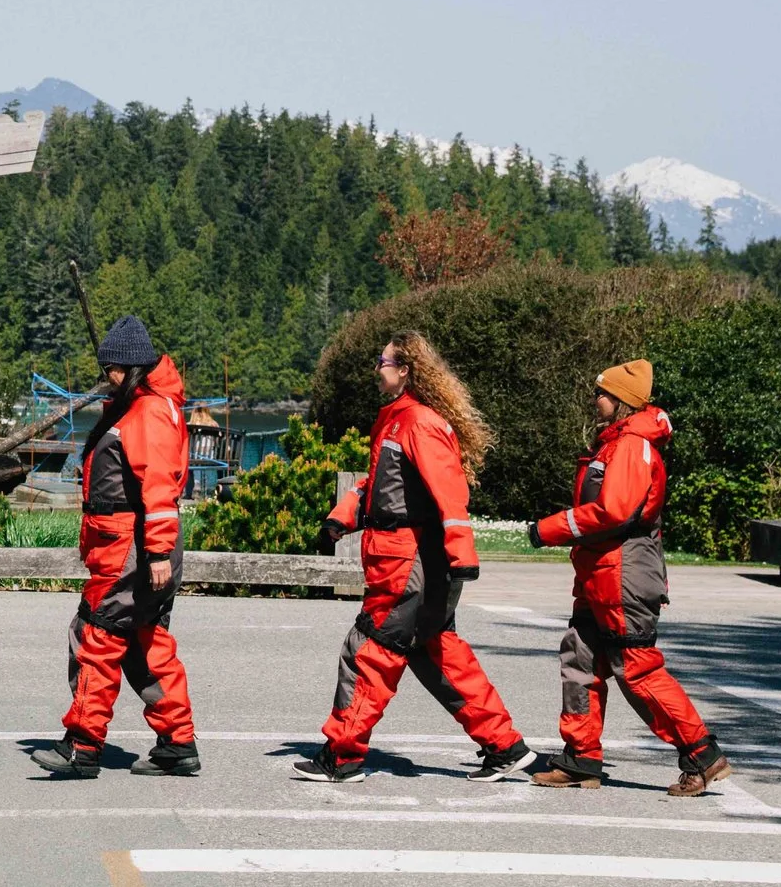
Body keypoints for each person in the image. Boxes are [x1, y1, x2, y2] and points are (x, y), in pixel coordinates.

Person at [296, 332, 537, 784]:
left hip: (407, 564)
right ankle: (505, 747)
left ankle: (342, 757)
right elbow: (381, 487)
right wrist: (340, 519)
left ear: (405, 369)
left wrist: (462, 554)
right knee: (438, 654)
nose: (376, 368)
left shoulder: (419, 423)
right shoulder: (396, 420)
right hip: (403, 558)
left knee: (368, 651)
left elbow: (449, 493)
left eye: (381, 360)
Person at [525, 358, 731, 796]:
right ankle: (582, 758)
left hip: (625, 574)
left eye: (602, 392)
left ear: (622, 400)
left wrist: (549, 529)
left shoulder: (633, 445)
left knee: (636, 669)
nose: (594, 398)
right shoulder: (616, 442)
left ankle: (702, 754)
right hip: (600, 573)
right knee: (581, 657)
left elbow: (614, 511)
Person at [34, 315, 201, 779]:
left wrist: (159, 554)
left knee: (98, 635)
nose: (105, 377)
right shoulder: (138, 405)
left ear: (131, 368)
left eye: (111, 369)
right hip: (130, 545)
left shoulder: (148, 412)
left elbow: (160, 487)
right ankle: (177, 742)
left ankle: (83, 746)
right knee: (144, 641)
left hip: (131, 547)